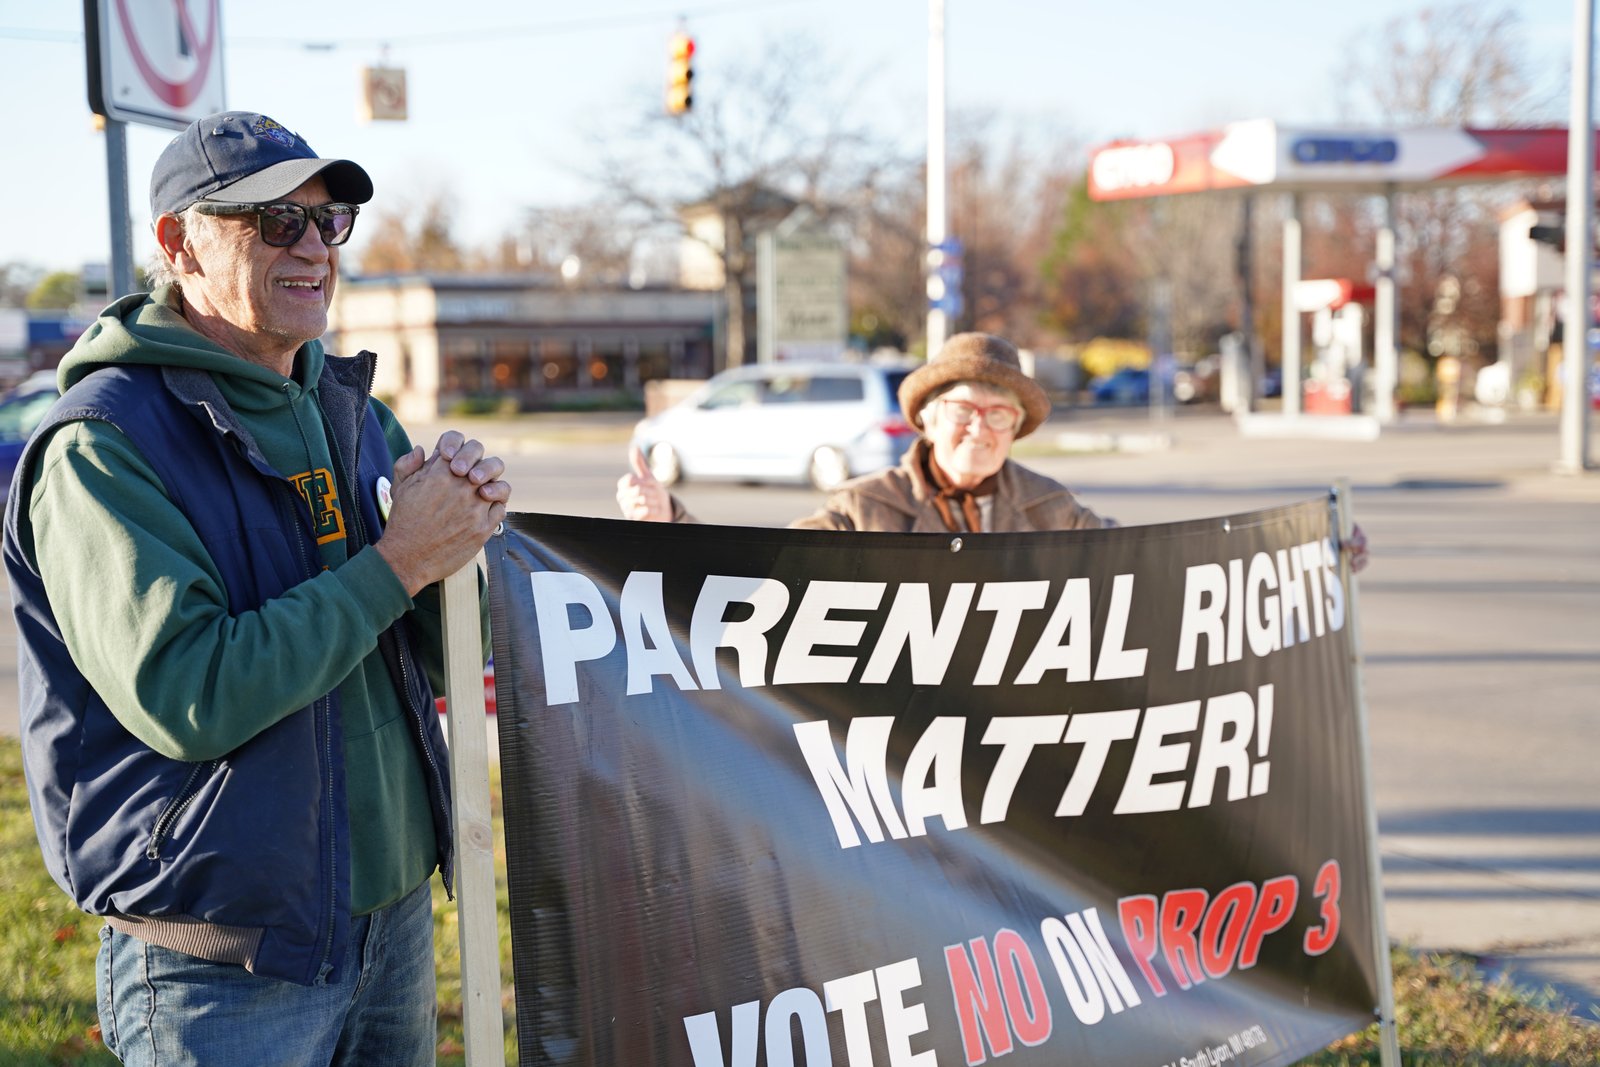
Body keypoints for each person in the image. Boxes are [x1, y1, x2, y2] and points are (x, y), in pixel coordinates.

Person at [2, 111, 509, 1065]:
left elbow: (444, 647)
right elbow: (191, 691)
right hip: (223, 956)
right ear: (177, 243)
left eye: (330, 221)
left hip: (390, 921)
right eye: (276, 221)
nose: (314, 246)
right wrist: (399, 560)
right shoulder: (103, 445)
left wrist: (460, 544)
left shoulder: (354, 414)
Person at [617, 332, 1369, 564]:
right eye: (963, 409)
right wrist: (668, 524)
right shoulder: (861, 509)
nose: (980, 426)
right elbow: (754, 579)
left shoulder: (1051, 509)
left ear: (1017, 428)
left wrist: (1309, 555)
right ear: (926, 419)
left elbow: (1162, 564)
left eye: (999, 414)